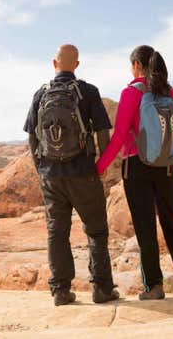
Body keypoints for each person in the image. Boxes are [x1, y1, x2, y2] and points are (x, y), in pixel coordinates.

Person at [96, 45, 173, 300]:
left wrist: (100, 167)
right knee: (171, 222)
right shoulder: (171, 92)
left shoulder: (131, 93)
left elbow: (121, 135)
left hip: (137, 167)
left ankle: (154, 286)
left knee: (145, 227)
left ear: (136, 66)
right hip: (165, 167)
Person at [24, 44, 119, 306]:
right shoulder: (87, 91)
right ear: (76, 64)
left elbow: (32, 137)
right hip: (83, 172)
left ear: (54, 64)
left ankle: (60, 291)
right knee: (96, 231)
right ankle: (102, 288)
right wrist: (100, 166)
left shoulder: (40, 94)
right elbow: (102, 132)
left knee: (57, 232)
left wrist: (41, 169)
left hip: (51, 175)